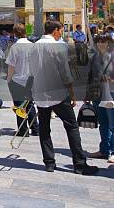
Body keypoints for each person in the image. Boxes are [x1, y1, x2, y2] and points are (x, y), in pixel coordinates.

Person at [29, 20, 98, 175]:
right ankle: (79, 164)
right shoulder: (59, 47)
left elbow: (31, 71)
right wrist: (72, 94)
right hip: (58, 94)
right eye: (60, 30)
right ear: (55, 30)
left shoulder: (33, 47)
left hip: (41, 93)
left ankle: (49, 163)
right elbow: (66, 74)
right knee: (72, 127)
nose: (61, 33)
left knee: (44, 129)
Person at [6, 23, 38, 137]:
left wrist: (8, 79)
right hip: (31, 80)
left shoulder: (15, 47)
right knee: (30, 105)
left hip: (18, 80)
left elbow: (11, 66)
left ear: (15, 34)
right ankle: (35, 128)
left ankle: (23, 130)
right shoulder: (33, 46)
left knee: (20, 106)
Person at [85, 34, 114, 163]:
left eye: (104, 41)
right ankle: (104, 150)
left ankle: (112, 151)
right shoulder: (95, 57)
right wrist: (87, 93)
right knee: (103, 123)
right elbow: (90, 75)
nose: (101, 44)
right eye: (99, 41)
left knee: (112, 124)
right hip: (97, 94)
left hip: (111, 94)